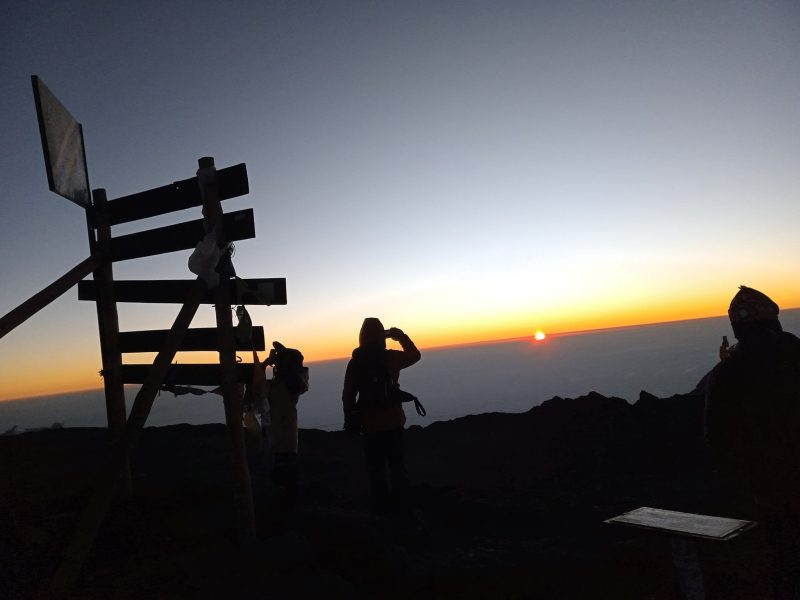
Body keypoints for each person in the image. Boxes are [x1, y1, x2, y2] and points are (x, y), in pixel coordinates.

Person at [705, 286, 800, 599]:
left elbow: (718, 439)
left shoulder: (726, 374)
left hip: (769, 491)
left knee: (786, 560)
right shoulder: (794, 353)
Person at [342, 318, 421, 513]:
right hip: (394, 423)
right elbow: (414, 355)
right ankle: (403, 508)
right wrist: (400, 336)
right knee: (397, 467)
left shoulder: (356, 362)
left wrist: (351, 418)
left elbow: (348, 395)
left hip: (370, 426)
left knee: (376, 471)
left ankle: (381, 509)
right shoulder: (390, 358)